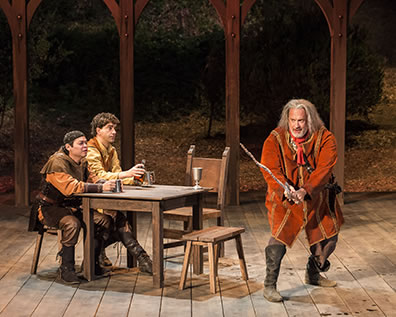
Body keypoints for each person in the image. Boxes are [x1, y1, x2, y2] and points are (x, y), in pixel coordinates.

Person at [260, 99, 344, 302]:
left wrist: (306, 190)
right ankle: (269, 285)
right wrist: (286, 188)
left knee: (329, 235)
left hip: (316, 197)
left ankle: (314, 272)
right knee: (279, 237)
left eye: (302, 121)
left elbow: (325, 169)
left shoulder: (325, 138)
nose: (297, 125)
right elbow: (270, 169)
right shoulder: (275, 139)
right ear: (287, 120)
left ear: (310, 120)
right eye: (293, 120)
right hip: (285, 199)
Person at [28, 131, 116, 284]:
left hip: (72, 206)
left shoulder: (82, 162)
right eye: (80, 143)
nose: (85, 146)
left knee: (104, 220)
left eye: (85, 142)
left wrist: (103, 183)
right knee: (72, 224)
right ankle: (66, 268)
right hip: (50, 208)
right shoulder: (57, 162)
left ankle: (91, 264)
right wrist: (101, 188)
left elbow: (93, 179)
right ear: (68, 147)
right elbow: (70, 187)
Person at [86, 112, 152, 274]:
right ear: (98, 130)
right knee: (120, 221)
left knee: (120, 221)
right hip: (89, 198)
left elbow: (117, 174)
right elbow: (100, 177)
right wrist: (127, 174)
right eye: (109, 128)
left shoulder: (111, 150)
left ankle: (143, 259)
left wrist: (136, 179)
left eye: (114, 128)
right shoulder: (91, 150)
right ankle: (143, 259)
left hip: (105, 196)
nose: (114, 132)